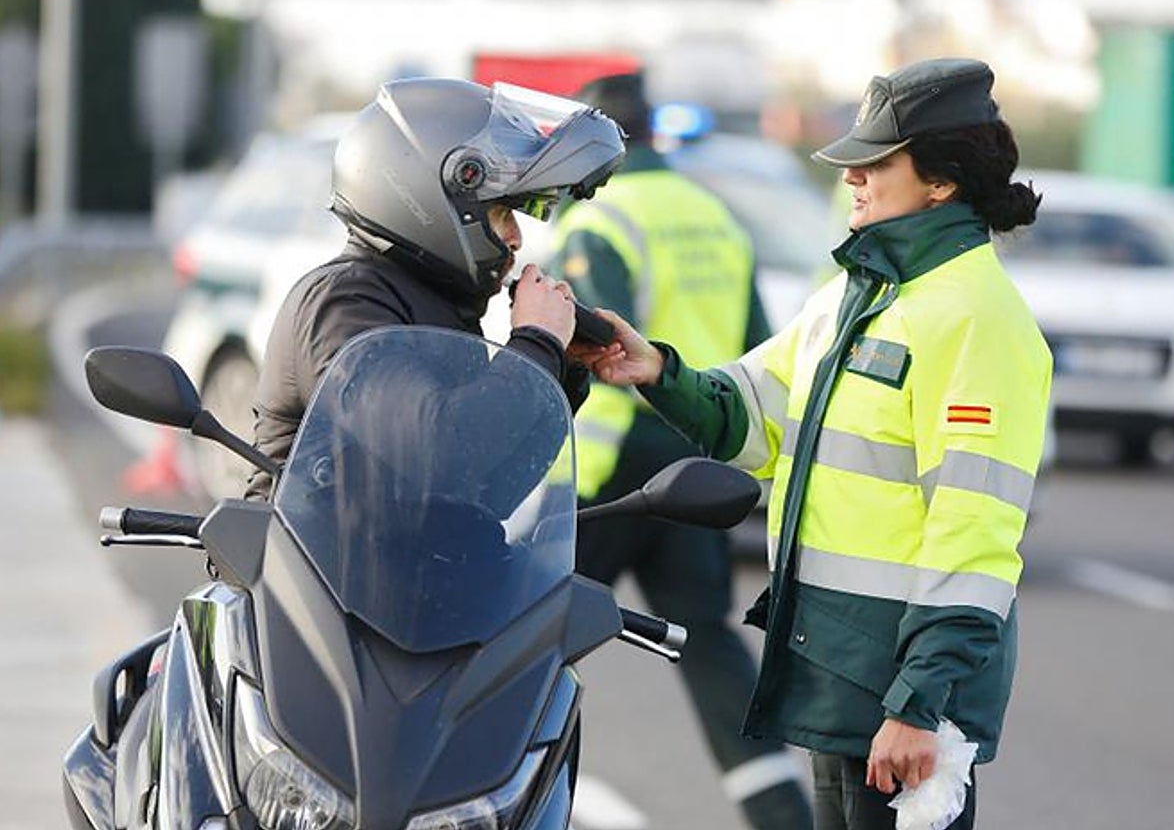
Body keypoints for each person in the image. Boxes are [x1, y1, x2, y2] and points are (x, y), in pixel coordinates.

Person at [576, 58, 1053, 830]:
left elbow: (977, 536)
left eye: (876, 162)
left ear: (941, 182)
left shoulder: (977, 317)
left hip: (900, 697)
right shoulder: (855, 293)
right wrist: (656, 371)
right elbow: (752, 417)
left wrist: (919, 705)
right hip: (836, 672)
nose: (853, 178)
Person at [546, 73, 814, 830]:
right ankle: (784, 817)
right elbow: (760, 349)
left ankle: (479, 794)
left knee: (529, 642)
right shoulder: (714, 216)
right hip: (696, 467)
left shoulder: (600, 219)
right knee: (706, 646)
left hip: (608, 478)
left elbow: (596, 347)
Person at [245, 77, 624, 501]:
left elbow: (490, 491)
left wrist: (558, 369)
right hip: (320, 565)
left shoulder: (442, 306)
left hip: (420, 564)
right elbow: (441, 455)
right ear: (429, 196)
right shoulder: (344, 302)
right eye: (501, 213)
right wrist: (535, 342)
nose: (516, 237)